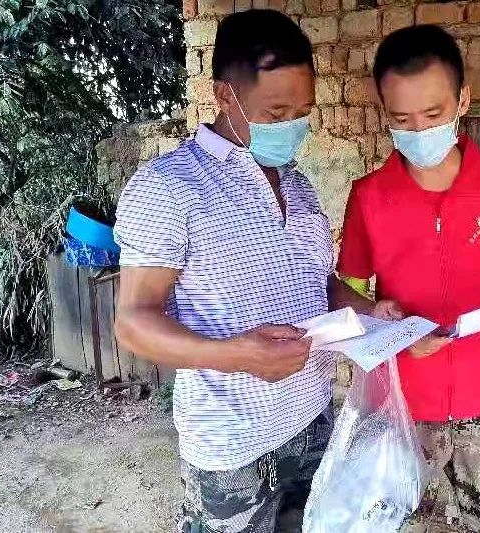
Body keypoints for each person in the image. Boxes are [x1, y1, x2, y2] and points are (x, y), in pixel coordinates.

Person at [113, 10, 401, 533]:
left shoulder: (298, 186)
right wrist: (237, 355)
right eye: (276, 111)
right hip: (232, 447)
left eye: (303, 111)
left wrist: (368, 312)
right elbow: (133, 322)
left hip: (312, 420)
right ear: (226, 95)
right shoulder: (169, 187)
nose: (292, 125)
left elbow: (318, 283)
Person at [336, 24, 480, 532]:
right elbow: (346, 293)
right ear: (384, 112)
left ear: (462, 101)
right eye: (401, 119)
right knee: (410, 520)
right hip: (405, 404)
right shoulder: (370, 196)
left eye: (432, 115)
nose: (418, 129)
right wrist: (383, 324)